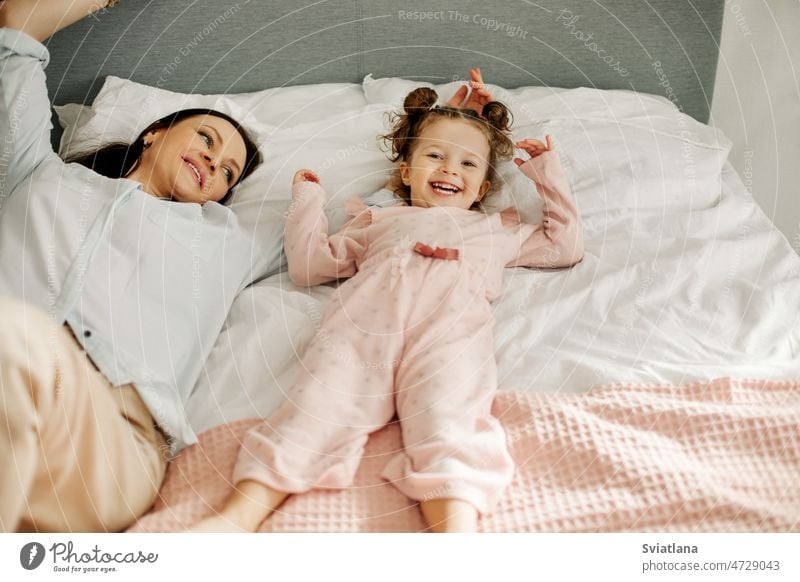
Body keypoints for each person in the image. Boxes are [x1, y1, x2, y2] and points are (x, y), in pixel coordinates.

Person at [190, 86, 584, 533]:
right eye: (435, 156)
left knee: (451, 418)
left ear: (483, 188)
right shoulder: (376, 221)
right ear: (407, 172)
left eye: (468, 163)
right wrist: (307, 204)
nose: (450, 169)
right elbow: (307, 266)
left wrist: (546, 175)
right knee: (318, 406)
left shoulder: (495, 229)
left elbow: (564, 246)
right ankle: (239, 517)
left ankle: (456, 534)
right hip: (362, 331)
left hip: (449, 335)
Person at [0, 0, 267, 532]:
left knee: (14, 335)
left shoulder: (229, 242)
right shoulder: (36, 171)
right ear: (154, 133)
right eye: (206, 139)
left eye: (229, 171)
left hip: (108, 443)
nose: (215, 162)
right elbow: (15, 41)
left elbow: (369, 233)